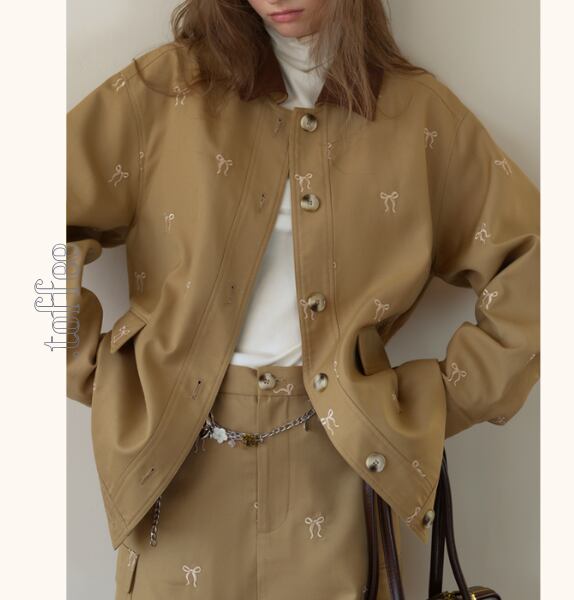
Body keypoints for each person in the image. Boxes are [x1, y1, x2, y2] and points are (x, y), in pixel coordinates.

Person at [66, 1, 540, 598]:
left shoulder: (417, 115)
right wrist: (87, 366)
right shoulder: (163, 93)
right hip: (174, 465)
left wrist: (441, 400)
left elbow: (536, 265)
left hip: (339, 466)